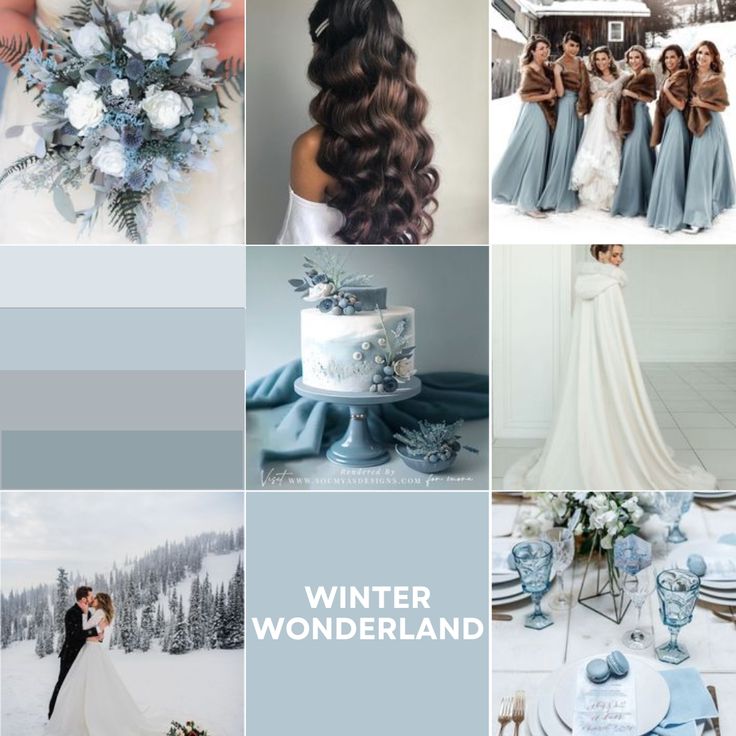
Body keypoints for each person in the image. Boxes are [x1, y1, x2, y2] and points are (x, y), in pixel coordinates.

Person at [0, 0, 244, 244]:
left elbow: (238, 19)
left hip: (189, 118)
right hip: (50, 116)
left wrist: (179, 90)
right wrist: (65, 84)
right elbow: (7, 11)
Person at [504, 244, 718, 491]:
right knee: (613, 400)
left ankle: (595, 441)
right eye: (615, 255)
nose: (619, 261)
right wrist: (620, 360)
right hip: (609, 357)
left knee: (588, 401)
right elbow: (616, 331)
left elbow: (586, 326)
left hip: (585, 360)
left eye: (621, 255)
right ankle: (612, 445)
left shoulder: (583, 282)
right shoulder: (611, 285)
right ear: (601, 255)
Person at [276, 0, 439, 244]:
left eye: (315, 44)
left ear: (328, 55)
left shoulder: (314, 148)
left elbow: (301, 248)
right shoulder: (410, 137)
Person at [48, 591, 163, 736]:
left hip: (90, 650)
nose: (93, 600)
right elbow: (94, 631)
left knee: (83, 683)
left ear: (100, 601)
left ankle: (81, 717)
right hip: (92, 649)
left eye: (95, 598)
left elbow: (85, 629)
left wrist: (84, 613)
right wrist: (97, 631)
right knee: (92, 683)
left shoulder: (98, 612)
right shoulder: (100, 613)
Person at [492, 35, 556, 219]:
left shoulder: (545, 69)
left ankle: (531, 197)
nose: (545, 51)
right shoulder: (530, 69)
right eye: (541, 48)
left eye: (547, 48)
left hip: (543, 114)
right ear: (533, 51)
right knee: (534, 156)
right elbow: (524, 96)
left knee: (537, 155)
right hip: (534, 114)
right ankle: (527, 203)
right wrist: (546, 96)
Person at [682, 40, 736, 233]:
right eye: (699, 53)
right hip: (691, 124)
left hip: (710, 125)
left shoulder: (716, 79)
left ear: (713, 58)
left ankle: (698, 218)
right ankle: (704, 204)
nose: (702, 57)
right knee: (696, 167)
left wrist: (701, 103)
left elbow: (722, 106)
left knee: (701, 170)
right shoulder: (690, 75)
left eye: (706, 54)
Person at [537, 31, 591, 213]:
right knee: (563, 149)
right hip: (565, 106)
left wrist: (584, 104)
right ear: (564, 44)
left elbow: (586, 85)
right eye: (571, 45)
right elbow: (559, 93)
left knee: (575, 149)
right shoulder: (557, 64)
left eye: (576, 45)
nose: (574, 49)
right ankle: (554, 195)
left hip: (578, 108)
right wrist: (558, 74)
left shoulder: (581, 63)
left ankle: (571, 190)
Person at [570, 46, 629, 210]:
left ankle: (612, 196)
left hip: (613, 118)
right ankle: (595, 195)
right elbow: (590, 98)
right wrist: (601, 95)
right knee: (598, 150)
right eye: (598, 59)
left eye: (604, 58)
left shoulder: (622, 77)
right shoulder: (592, 78)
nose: (601, 62)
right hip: (598, 119)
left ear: (610, 59)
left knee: (613, 151)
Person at [647, 45, 691, 233]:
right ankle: (665, 212)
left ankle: (673, 216)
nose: (669, 61)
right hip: (670, 124)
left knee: (672, 168)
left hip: (676, 123)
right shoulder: (671, 76)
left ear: (680, 58)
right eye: (666, 58)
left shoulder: (681, 76)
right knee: (668, 167)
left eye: (673, 57)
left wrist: (666, 90)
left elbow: (681, 105)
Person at [611, 46, 657, 217]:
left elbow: (651, 97)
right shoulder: (632, 76)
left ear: (643, 58)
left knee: (636, 154)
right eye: (631, 58)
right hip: (630, 118)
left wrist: (631, 93)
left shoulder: (648, 74)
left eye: (637, 57)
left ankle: (637, 201)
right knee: (632, 154)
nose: (633, 61)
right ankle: (632, 198)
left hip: (640, 115)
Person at [48, 586, 100, 719]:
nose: (92, 598)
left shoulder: (87, 613)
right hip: (70, 655)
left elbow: (90, 632)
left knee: (81, 687)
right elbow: (74, 635)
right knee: (63, 684)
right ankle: (52, 715)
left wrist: (98, 637)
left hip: (84, 656)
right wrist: (94, 632)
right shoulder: (71, 612)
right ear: (84, 599)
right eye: (90, 596)